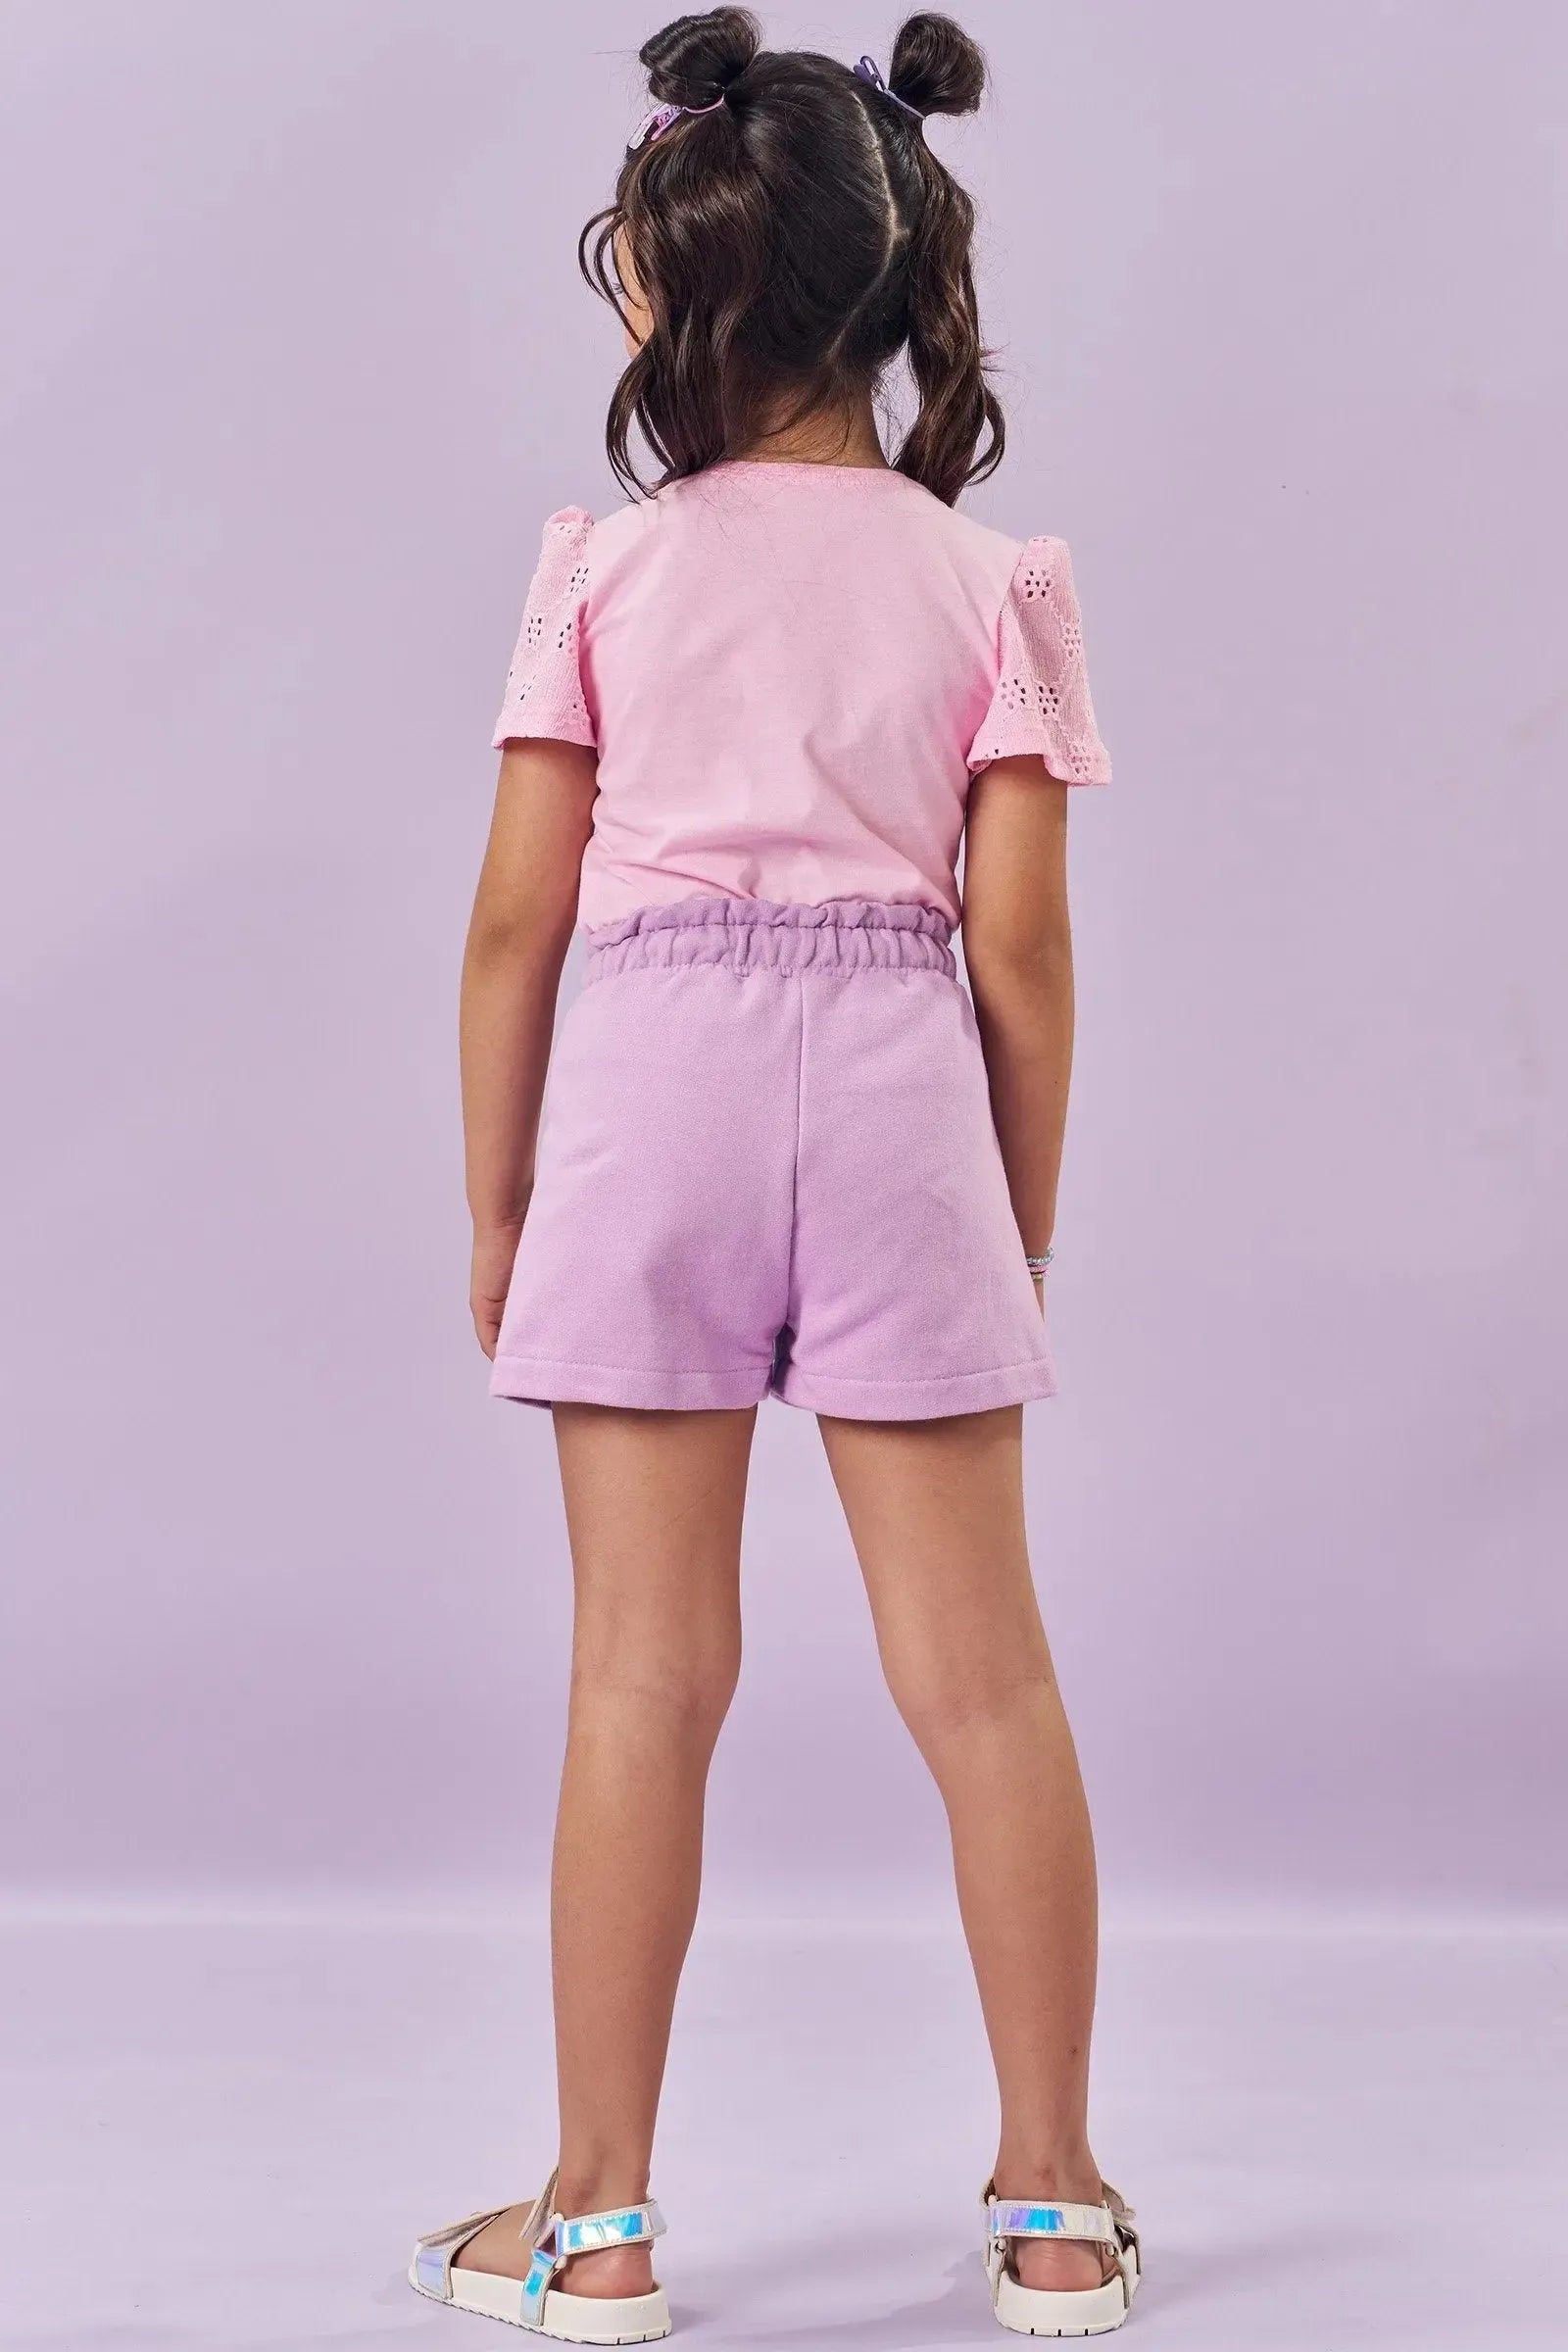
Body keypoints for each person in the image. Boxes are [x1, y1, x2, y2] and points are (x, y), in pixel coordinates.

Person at [410, 9, 1138, 2339]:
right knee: (986, 1684)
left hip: (654, 1100)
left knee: (640, 1675)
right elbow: (1016, 949)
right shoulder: (989, 580)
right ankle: (1052, 2207)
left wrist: (500, 1204)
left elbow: (513, 920)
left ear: (671, 288)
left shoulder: (605, 573)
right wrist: (1016, 1212)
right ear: (901, 279)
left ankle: (596, 2225)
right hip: (904, 1089)